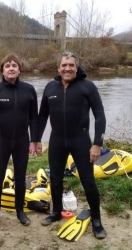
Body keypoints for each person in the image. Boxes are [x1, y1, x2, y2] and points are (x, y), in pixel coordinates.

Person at [36, 50, 107, 239]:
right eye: (64, 65)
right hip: (57, 140)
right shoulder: (50, 88)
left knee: (88, 182)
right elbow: (42, 116)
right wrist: (36, 140)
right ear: (58, 68)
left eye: (71, 65)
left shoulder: (87, 87)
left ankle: (97, 220)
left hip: (81, 141)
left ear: (77, 67)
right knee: (56, 179)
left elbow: (99, 115)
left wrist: (97, 143)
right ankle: (56, 212)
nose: (67, 68)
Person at [0, 53, 38, 229]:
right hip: (1, 141)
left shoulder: (29, 90)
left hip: (23, 141)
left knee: (21, 178)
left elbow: (33, 118)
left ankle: (20, 211)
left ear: (19, 69)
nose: (11, 68)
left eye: (14, 65)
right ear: (2, 70)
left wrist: (34, 140)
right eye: (7, 66)